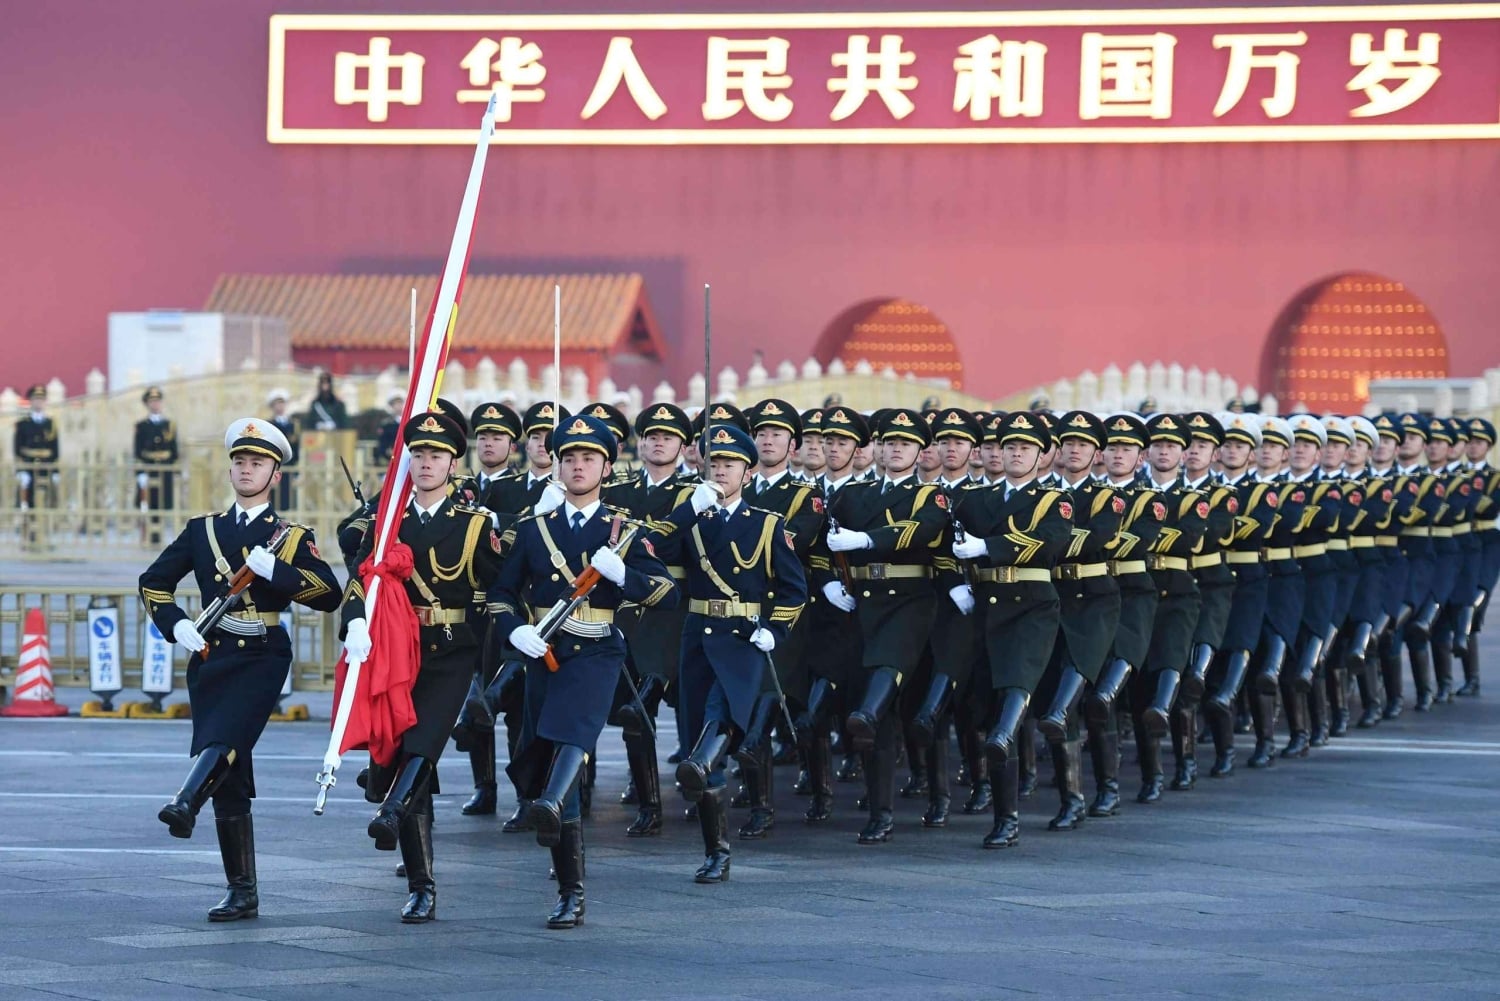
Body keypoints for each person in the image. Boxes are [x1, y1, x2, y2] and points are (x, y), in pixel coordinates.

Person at [140, 418, 340, 921]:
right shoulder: (202, 530)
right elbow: (153, 583)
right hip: (212, 654)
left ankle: (185, 800)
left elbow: (328, 594)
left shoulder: (290, 537)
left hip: (262, 653)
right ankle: (242, 889)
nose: (247, 469)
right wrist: (175, 624)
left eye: (258, 464)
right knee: (230, 768)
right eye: (240, 462)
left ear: (276, 475)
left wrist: (282, 573)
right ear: (231, 469)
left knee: (225, 737)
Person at [488, 414, 678, 928]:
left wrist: (625, 576)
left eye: (588, 459)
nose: (577, 466)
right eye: (568, 458)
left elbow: (666, 592)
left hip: (597, 650)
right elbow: (501, 595)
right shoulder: (533, 529)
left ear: (606, 468)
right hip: (544, 653)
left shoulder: (624, 531)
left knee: (574, 735)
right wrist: (513, 630)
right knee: (547, 753)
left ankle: (555, 826)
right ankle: (567, 880)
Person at [340, 406, 504, 923]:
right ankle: (421, 884)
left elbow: (499, 588)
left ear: (454, 463)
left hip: (452, 650)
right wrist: (354, 621)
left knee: (423, 742)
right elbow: (358, 577)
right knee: (399, 750)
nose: (426, 462)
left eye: (436, 455)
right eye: (418, 454)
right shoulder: (388, 520)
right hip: (395, 649)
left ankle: (391, 811)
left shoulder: (475, 523)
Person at [654, 421, 807, 878]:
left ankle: (701, 761)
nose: (721, 471)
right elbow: (651, 548)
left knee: (723, 716)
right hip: (698, 634)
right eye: (714, 463)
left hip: (742, 638)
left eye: (730, 464)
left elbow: (794, 590)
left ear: (747, 471)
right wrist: (687, 512)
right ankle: (716, 851)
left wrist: (776, 632)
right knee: (697, 730)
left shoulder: (765, 525)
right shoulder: (689, 515)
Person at [823, 408, 948, 845]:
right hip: (863, 604)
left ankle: (938, 793)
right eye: (890, 442)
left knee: (900, 697)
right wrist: (827, 581)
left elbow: (920, 531)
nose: (896, 450)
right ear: (876, 447)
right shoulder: (854, 495)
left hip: (911, 603)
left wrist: (868, 540)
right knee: (881, 720)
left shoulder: (929, 496)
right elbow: (824, 539)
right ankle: (881, 811)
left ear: (920, 451)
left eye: (906, 444)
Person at [949, 412, 1073, 848]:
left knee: (1016, 688)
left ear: (1042, 455)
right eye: (1010, 447)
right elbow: (946, 545)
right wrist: (957, 585)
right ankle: (1006, 815)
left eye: (1026, 447)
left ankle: (1006, 750)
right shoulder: (976, 500)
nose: (1016, 453)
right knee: (987, 704)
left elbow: (1048, 542)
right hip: (985, 609)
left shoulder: (1053, 499)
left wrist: (990, 548)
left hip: (1032, 607)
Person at [602, 401, 699, 836]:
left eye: (668, 437)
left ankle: (700, 790)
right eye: (652, 436)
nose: (659, 442)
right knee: (634, 712)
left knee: (685, 707)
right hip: (628, 606)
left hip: (677, 605)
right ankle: (649, 802)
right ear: (640, 444)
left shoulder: (696, 491)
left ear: (683, 445)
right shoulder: (618, 492)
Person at [14, 384, 59, 541]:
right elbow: (18, 449)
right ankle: (27, 533)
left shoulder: (50, 424)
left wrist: (55, 472)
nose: (38, 403)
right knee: (27, 503)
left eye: (41, 399)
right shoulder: (23, 424)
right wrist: (21, 470)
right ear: (31, 401)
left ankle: (44, 534)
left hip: (45, 468)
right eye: (35, 399)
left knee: (46, 502)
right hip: (28, 467)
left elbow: (55, 450)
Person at [266, 389, 300, 512]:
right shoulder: (269, 425)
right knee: (275, 503)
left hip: (290, 468)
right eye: (276, 404)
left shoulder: (293, 424)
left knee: (290, 502)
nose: (280, 407)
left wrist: (297, 471)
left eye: (282, 403)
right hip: (276, 468)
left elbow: (297, 448)